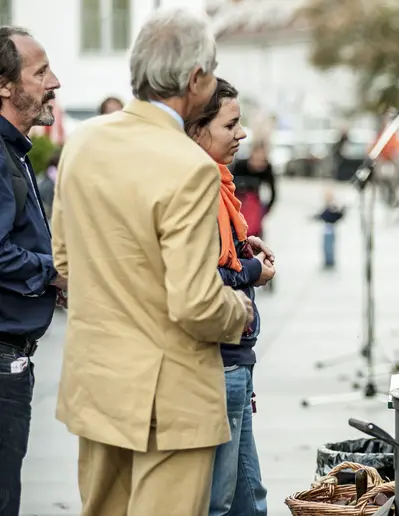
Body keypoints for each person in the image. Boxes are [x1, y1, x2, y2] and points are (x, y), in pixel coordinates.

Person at [51, 8, 256, 516]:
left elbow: (64, 260)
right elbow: (195, 302)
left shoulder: (83, 142)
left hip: (97, 382)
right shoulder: (187, 165)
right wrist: (242, 311)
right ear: (195, 80)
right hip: (170, 395)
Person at [185, 77, 273, 516]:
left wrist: (243, 248)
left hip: (236, 360)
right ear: (198, 129)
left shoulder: (218, 184)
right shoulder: (197, 186)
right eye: (230, 125)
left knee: (248, 500)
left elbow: (219, 256)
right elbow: (201, 278)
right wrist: (252, 271)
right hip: (220, 361)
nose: (241, 134)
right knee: (218, 503)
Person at [0, 25, 64, 516]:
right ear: (5, 84)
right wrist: (54, 274)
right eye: (40, 71)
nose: (54, 82)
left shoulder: (14, 153)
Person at [231, 141, 276, 238]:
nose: (259, 163)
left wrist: (265, 210)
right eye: (257, 158)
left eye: (263, 160)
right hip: (239, 207)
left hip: (255, 210)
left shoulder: (267, 169)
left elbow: (273, 192)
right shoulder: (240, 166)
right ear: (252, 155)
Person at [314, 187, 346, 268]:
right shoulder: (330, 208)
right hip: (328, 229)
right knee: (327, 246)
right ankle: (328, 261)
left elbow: (330, 216)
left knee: (328, 246)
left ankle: (330, 261)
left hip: (330, 229)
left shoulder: (332, 208)